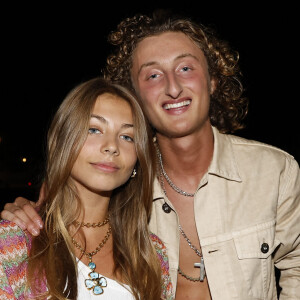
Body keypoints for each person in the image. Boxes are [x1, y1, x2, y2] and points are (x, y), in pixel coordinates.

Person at [2, 10, 300, 299]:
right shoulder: (123, 183)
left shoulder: (274, 171)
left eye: (186, 68)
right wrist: (25, 219)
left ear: (212, 79)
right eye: (154, 75)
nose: (173, 87)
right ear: (134, 95)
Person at [0, 77, 173, 300]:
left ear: (137, 161)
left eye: (127, 136)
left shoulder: (151, 254)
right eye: (94, 129)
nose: (111, 146)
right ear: (63, 140)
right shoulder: (13, 243)